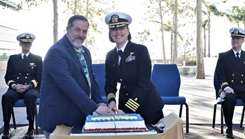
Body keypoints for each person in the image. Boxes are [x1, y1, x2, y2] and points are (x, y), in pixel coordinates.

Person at [37, 15, 112, 138]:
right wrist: (94, 107)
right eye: (77, 30)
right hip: (59, 120)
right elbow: (68, 85)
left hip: (78, 117)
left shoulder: (85, 51)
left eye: (84, 31)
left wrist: (99, 101)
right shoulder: (56, 52)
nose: (81, 34)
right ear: (68, 29)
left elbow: (91, 79)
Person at [104, 11, 164, 125]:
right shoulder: (110, 56)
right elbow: (109, 84)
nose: (118, 32)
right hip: (123, 106)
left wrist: (127, 110)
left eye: (121, 28)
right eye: (113, 29)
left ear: (128, 30)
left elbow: (144, 83)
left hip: (148, 106)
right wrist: (111, 101)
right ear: (110, 32)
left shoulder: (140, 50)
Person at [1, 33, 42, 139]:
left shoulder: (37, 59)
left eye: (29, 43)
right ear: (20, 44)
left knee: (30, 96)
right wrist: (14, 86)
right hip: (15, 88)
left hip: (31, 88)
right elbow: (8, 76)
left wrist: (28, 86)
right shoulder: (13, 58)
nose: (26, 45)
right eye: (24, 42)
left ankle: (30, 129)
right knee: (6, 97)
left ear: (31, 44)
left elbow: (39, 77)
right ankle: (6, 129)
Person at [215, 27, 245, 138]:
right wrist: (225, 86)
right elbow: (220, 74)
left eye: (238, 38)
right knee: (228, 99)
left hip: (243, 87)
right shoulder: (224, 56)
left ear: (243, 40)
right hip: (230, 87)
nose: (235, 40)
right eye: (233, 38)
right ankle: (229, 128)